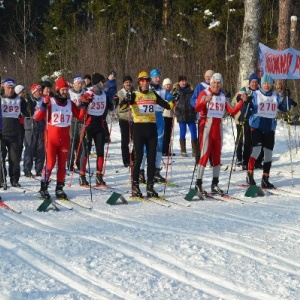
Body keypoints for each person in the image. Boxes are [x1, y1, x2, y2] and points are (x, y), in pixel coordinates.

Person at [119, 71, 174, 198]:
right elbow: (121, 108)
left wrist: (174, 100)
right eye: (142, 81)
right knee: (138, 159)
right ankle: (136, 186)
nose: (145, 83)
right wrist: (125, 99)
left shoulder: (153, 94)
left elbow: (167, 106)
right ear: (139, 82)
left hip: (151, 130)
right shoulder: (134, 94)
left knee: (151, 158)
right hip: (139, 129)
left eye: (147, 81)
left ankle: (150, 187)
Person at [34, 77, 87, 200]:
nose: (64, 92)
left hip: (65, 139)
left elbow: (79, 116)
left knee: (62, 165)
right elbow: (37, 117)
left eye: (66, 90)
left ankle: (59, 188)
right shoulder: (50, 101)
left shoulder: (69, 103)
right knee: (50, 163)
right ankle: (43, 187)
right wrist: (43, 105)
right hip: (51, 139)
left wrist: (84, 105)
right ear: (58, 89)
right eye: (62, 89)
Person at [194, 73, 246, 196]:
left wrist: (241, 103)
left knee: (217, 156)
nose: (216, 85)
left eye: (218, 83)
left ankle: (214, 183)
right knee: (204, 155)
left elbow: (232, 111)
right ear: (210, 83)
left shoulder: (223, 97)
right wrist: (205, 101)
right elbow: (196, 108)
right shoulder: (204, 93)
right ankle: (198, 184)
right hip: (206, 127)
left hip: (218, 129)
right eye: (214, 83)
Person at [243, 73, 296, 188]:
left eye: (269, 83)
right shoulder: (255, 94)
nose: (267, 85)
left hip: (269, 128)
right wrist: (246, 102)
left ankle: (265, 178)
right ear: (261, 84)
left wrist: (288, 101)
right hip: (257, 126)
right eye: (264, 83)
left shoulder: (275, 96)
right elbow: (246, 107)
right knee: (256, 151)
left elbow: (283, 108)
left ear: (271, 84)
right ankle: (250, 174)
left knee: (268, 154)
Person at [78, 73, 113, 186]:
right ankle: (82, 175)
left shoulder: (104, 94)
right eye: (102, 82)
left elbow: (110, 107)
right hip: (88, 126)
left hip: (100, 125)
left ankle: (99, 176)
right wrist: (85, 102)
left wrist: (115, 102)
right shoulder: (88, 93)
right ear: (97, 83)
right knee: (86, 151)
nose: (104, 84)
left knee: (100, 151)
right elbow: (80, 109)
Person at [139, 69, 173, 184]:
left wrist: (173, 101)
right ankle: (141, 171)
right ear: (151, 78)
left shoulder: (163, 91)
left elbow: (171, 99)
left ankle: (156, 171)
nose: (157, 79)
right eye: (155, 77)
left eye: (159, 77)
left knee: (159, 144)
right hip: (147, 118)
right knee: (144, 146)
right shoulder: (147, 89)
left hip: (159, 118)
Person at [235, 73, 264, 170]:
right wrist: (243, 98)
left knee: (259, 141)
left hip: (258, 118)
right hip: (247, 118)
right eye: (252, 82)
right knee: (248, 141)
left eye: (256, 82)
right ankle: (245, 161)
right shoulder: (245, 90)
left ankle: (258, 161)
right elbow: (238, 96)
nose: (254, 84)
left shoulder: (261, 91)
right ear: (250, 82)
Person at [0, 78, 22, 187]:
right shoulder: (1, 99)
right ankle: (2, 180)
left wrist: (29, 102)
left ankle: (14, 180)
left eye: (12, 88)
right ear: (3, 87)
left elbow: (28, 112)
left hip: (14, 134)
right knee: (1, 159)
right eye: (8, 88)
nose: (10, 90)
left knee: (15, 159)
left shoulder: (19, 99)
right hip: (2, 133)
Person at [22, 83, 46, 177]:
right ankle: (27, 169)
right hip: (30, 125)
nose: (40, 92)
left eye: (41, 90)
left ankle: (39, 169)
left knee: (41, 148)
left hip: (41, 125)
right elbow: (24, 112)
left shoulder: (43, 100)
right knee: (30, 148)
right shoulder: (28, 100)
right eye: (38, 91)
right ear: (33, 92)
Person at [174, 75, 197, 157]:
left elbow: (195, 100)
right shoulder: (176, 91)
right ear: (179, 82)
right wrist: (177, 112)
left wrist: (195, 110)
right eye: (181, 81)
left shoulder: (191, 90)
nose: (183, 83)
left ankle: (195, 150)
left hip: (191, 114)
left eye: (184, 81)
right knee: (182, 132)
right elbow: (173, 102)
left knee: (194, 132)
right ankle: (183, 150)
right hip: (181, 114)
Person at [67, 75, 86, 171]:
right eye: (78, 83)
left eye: (81, 83)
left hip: (82, 120)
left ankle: (80, 164)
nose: (80, 85)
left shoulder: (85, 92)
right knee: (72, 142)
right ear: (74, 83)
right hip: (72, 120)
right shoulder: (69, 93)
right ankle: (70, 164)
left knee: (81, 143)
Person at [116, 75, 135, 167]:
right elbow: (119, 107)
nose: (128, 84)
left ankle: (134, 157)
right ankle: (126, 159)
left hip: (134, 118)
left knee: (135, 139)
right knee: (125, 140)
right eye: (126, 82)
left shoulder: (134, 92)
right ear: (123, 84)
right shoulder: (120, 93)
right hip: (124, 118)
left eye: (129, 82)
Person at [162, 78, 175, 156]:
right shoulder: (163, 94)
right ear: (164, 86)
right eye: (167, 85)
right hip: (164, 115)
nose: (168, 87)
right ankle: (164, 150)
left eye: (169, 85)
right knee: (165, 133)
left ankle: (168, 150)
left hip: (170, 115)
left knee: (169, 133)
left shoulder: (171, 94)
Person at [15, 85, 26, 161]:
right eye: (22, 92)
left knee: (21, 141)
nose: (23, 93)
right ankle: (16, 156)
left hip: (23, 123)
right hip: (16, 123)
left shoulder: (24, 100)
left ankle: (18, 156)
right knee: (17, 141)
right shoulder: (16, 100)